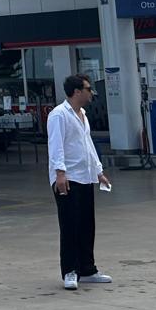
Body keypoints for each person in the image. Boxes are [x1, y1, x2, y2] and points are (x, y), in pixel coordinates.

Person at [48, 72, 112, 290]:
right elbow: (55, 146)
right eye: (88, 89)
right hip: (68, 178)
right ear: (77, 92)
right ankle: (70, 270)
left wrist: (98, 171)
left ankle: (87, 269)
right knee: (70, 225)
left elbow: (87, 144)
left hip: (85, 176)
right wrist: (60, 174)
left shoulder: (82, 114)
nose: (91, 92)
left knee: (86, 224)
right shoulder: (59, 115)